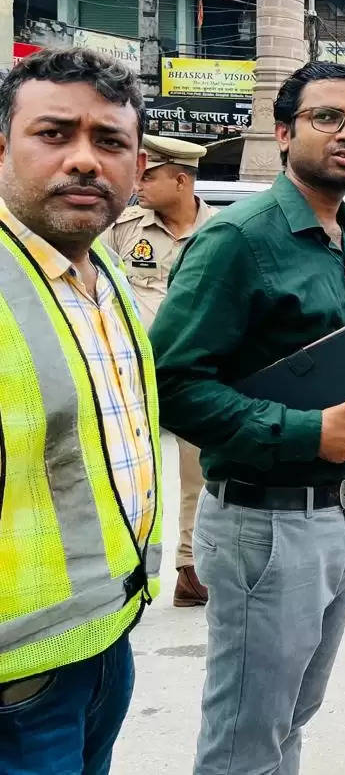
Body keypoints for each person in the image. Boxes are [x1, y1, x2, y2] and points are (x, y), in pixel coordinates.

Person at [151, 62, 345, 775]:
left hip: (340, 515)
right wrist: (306, 432)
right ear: (282, 132)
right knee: (246, 736)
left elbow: (332, 350)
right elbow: (173, 385)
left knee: (290, 718)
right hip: (263, 525)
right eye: (327, 118)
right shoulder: (238, 239)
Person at [0, 47, 162, 775]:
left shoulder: (107, 280)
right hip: (15, 675)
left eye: (109, 141)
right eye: (54, 134)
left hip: (104, 637)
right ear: (3, 146)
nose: (86, 160)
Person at [105, 134, 217, 607]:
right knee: (124, 473)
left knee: (200, 475)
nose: (138, 183)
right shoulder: (124, 226)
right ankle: (118, 576)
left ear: (180, 179)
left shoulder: (222, 231)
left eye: (148, 175)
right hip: (128, 378)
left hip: (195, 374)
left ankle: (190, 571)